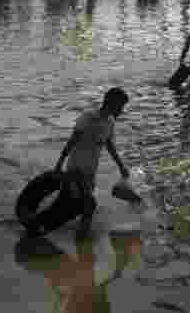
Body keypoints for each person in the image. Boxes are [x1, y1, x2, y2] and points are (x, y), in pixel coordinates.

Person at [53, 87, 131, 239]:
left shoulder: (110, 122)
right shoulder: (88, 117)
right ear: (111, 104)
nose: (122, 111)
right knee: (89, 204)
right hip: (75, 168)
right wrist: (59, 164)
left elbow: (109, 145)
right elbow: (72, 140)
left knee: (68, 201)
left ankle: (55, 225)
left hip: (90, 171)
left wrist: (121, 166)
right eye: (121, 107)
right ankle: (82, 238)